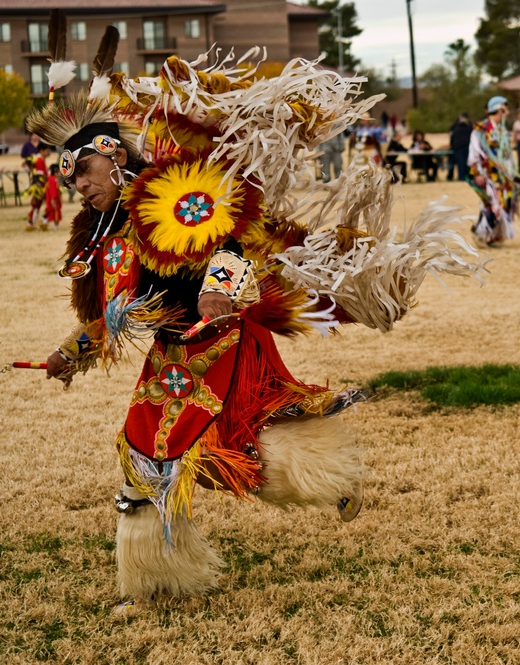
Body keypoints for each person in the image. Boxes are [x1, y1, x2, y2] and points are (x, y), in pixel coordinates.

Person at [25, 41, 483, 612]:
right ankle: (161, 580)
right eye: (74, 185)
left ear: (113, 157)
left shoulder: (172, 192)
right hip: (172, 356)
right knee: (160, 457)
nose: (82, 189)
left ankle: (321, 482)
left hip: (223, 344)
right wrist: (71, 353)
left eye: (86, 174)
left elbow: (234, 239)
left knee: (218, 448)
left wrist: (218, 290)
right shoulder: (109, 234)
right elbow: (114, 316)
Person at [468, 95, 518, 246]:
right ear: (498, 110)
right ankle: (481, 233)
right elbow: (474, 153)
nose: (508, 112)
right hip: (486, 173)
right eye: (505, 109)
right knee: (493, 204)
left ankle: (495, 235)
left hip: (502, 176)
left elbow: (506, 155)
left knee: (501, 203)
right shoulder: (481, 130)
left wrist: (510, 173)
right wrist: (477, 173)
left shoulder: (501, 130)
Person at [23, 143, 51, 231]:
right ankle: (32, 223)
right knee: (37, 206)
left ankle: (40, 222)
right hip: (40, 187)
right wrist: (47, 178)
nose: (48, 153)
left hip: (43, 186)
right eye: (47, 151)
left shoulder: (40, 159)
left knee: (39, 206)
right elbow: (39, 174)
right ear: (41, 151)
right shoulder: (39, 160)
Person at [448, 112, 471, 181]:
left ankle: (466, 177)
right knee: (460, 163)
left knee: (466, 163)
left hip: (466, 146)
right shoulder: (455, 126)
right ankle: (462, 178)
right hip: (458, 147)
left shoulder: (469, 125)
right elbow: (451, 136)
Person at [43, 163, 63, 230]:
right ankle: (53, 226)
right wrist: (53, 199)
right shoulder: (53, 181)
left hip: (49, 200)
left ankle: (45, 222)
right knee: (55, 214)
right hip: (54, 200)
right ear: (55, 172)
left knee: (50, 212)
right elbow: (53, 190)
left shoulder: (50, 179)